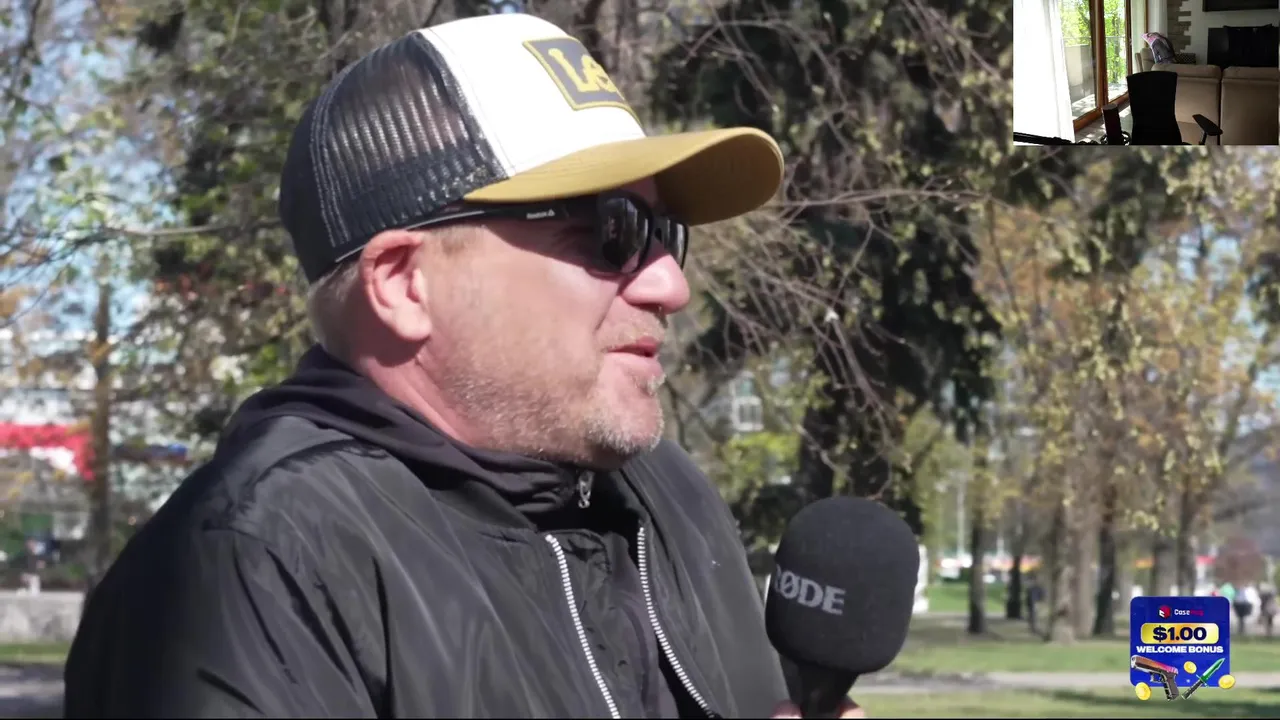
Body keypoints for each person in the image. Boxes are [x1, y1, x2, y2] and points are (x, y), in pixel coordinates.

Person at [62, 12, 862, 719]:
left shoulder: (669, 496)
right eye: (612, 231)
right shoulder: (255, 562)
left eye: (666, 234)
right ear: (404, 284)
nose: (670, 285)